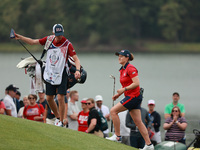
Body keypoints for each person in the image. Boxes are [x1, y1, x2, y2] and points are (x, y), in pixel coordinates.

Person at [14, 23, 81, 127]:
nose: (59, 37)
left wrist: (77, 70)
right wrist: (20, 37)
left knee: (60, 97)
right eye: (57, 34)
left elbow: (76, 59)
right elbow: (32, 42)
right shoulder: (49, 40)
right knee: (49, 98)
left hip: (62, 73)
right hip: (49, 73)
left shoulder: (67, 44)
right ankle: (58, 117)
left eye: (61, 34)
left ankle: (61, 121)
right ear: (53, 33)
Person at [106, 50, 154, 150]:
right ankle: (149, 145)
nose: (119, 58)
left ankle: (117, 136)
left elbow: (136, 83)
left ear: (127, 58)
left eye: (122, 56)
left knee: (113, 111)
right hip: (131, 96)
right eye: (118, 56)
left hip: (134, 96)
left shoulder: (130, 68)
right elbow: (126, 85)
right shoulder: (122, 69)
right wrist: (119, 94)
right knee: (138, 122)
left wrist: (123, 89)